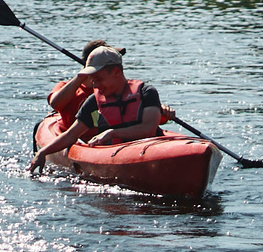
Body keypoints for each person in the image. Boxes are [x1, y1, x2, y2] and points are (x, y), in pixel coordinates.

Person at [30, 42, 172, 171]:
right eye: (92, 80)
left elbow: (148, 129)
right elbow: (72, 134)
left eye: (98, 79)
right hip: (113, 154)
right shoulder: (94, 101)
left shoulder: (146, 92)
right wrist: (43, 152)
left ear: (116, 72)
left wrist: (112, 133)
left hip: (150, 152)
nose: (95, 85)